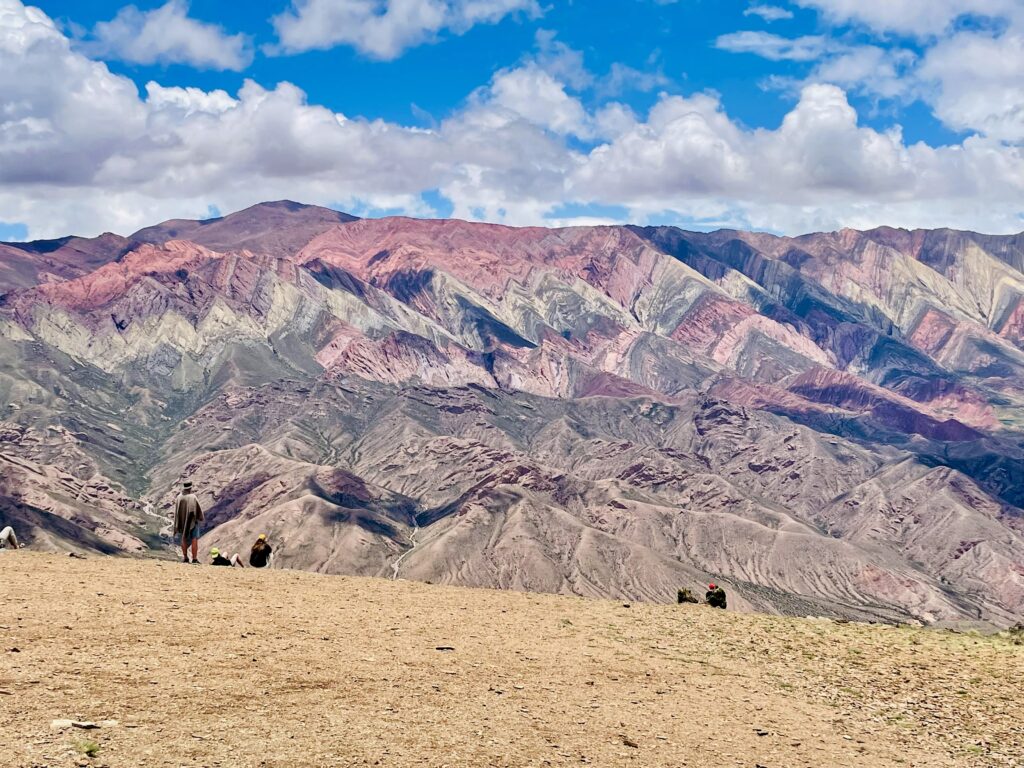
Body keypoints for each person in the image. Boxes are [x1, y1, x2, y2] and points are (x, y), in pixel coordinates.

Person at [172, 480, 204, 564]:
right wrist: (200, 517)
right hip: (192, 522)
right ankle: (194, 558)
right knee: (194, 539)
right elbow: (197, 509)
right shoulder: (192, 497)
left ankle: (185, 557)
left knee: (183, 538)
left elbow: (177, 511)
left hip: (182, 522)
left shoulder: (179, 497)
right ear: (190, 488)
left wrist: (176, 524)